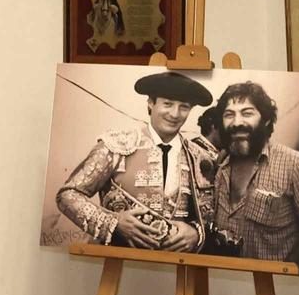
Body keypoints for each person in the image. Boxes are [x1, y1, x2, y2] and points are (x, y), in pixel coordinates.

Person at [55, 70, 211, 251]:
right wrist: (113, 222)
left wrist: (196, 232)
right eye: (167, 104)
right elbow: (67, 195)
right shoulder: (117, 144)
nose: (175, 114)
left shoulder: (199, 157)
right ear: (151, 103)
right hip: (119, 254)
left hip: (177, 262)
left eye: (184, 106)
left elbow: (209, 213)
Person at [197, 81, 299, 268]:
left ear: (265, 120)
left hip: (274, 288)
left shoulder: (297, 165)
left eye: (247, 113)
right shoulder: (218, 167)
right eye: (229, 115)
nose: (237, 122)